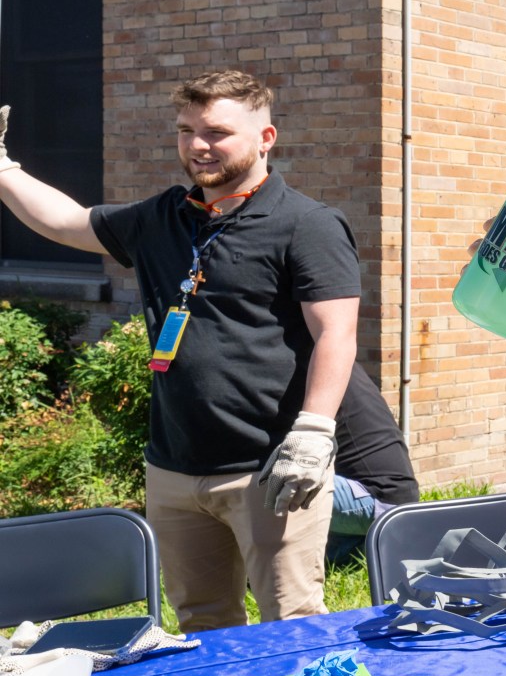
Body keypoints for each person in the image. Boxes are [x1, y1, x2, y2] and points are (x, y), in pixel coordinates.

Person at [0, 72, 360, 631]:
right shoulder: (164, 216)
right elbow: (68, 223)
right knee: (199, 620)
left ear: (266, 137)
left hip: (269, 468)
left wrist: (314, 432)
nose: (197, 145)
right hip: (172, 467)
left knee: (292, 624)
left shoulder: (306, 224)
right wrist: (3, 170)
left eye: (217, 132)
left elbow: (336, 333)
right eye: (186, 130)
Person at [328, 363, 421, 548]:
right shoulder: (347, 367)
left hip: (377, 499)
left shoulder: (321, 373)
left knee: (270, 476)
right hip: (398, 503)